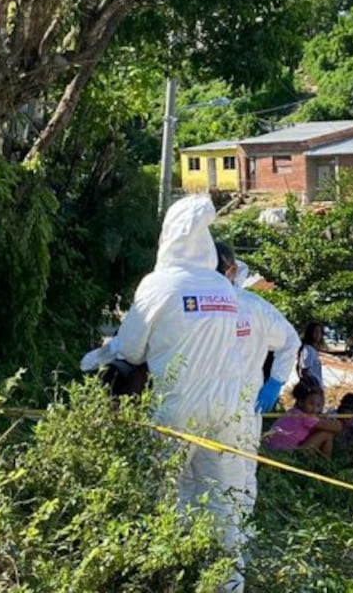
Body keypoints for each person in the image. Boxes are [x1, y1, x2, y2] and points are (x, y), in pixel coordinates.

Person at [101, 197, 259, 593]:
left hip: (177, 406)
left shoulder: (160, 284)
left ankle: (170, 579)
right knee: (223, 504)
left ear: (168, 237)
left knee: (163, 494)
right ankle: (226, 585)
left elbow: (131, 350)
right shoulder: (223, 289)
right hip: (227, 410)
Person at [215, 241, 301, 521]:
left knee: (239, 473)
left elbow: (290, 341)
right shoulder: (195, 305)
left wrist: (275, 382)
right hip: (216, 405)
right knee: (222, 474)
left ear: (232, 270)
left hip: (242, 406)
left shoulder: (251, 307)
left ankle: (233, 540)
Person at [264, 381, 342, 456]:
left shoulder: (292, 412)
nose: (315, 409)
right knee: (326, 433)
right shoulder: (306, 418)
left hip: (270, 450)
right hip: (287, 454)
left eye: (318, 406)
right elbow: (337, 428)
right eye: (311, 404)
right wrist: (334, 422)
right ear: (301, 402)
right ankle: (325, 465)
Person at [298, 322, 326, 393]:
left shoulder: (313, 350)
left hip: (316, 386)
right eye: (315, 331)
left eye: (320, 332)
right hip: (312, 388)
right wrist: (311, 387)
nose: (318, 334)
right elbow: (304, 371)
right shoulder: (308, 349)